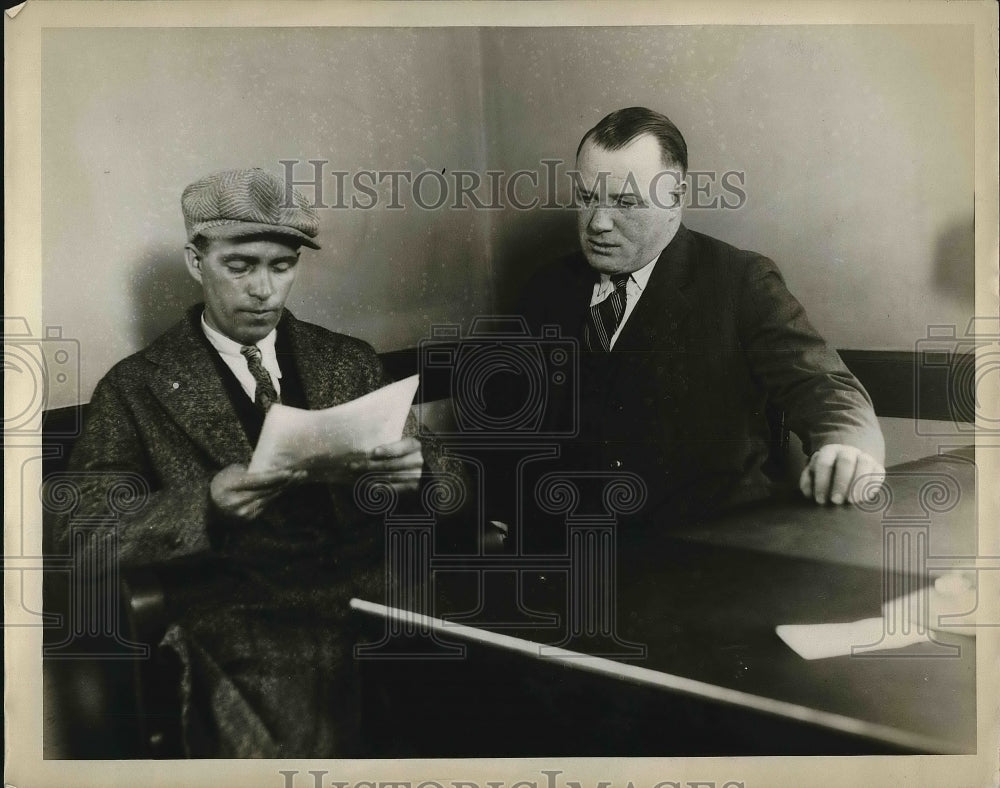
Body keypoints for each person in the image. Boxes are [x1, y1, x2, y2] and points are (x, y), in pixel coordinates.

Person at [51, 168, 461, 757]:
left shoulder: (347, 360)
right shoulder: (136, 388)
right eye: (240, 266)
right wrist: (204, 504)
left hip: (381, 597)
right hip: (245, 622)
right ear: (197, 262)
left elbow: (458, 486)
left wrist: (423, 471)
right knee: (293, 730)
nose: (263, 290)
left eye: (282, 265)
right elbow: (76, 532)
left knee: (498, 690)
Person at [516, 107, 885, 537]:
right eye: (586, 197)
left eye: (626, 202)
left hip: (711, 558)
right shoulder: (544, 291)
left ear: (676, 198)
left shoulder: (741, 282)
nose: (598, 223)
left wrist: (848, 445)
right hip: (577, 563)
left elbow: (824, 387)